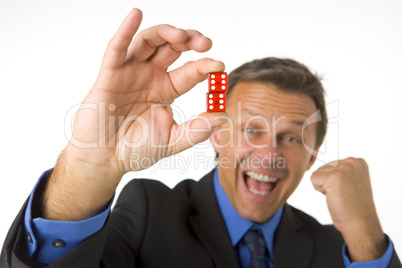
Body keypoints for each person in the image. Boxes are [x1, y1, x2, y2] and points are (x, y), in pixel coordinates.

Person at [0, 8, 400, 268]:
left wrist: (367, 238)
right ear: (218, 135)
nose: (269, 153)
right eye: (251, 129)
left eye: (292, 139)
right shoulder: (147, 212)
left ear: (312, 158)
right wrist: (89, 167)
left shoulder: (343, 250)